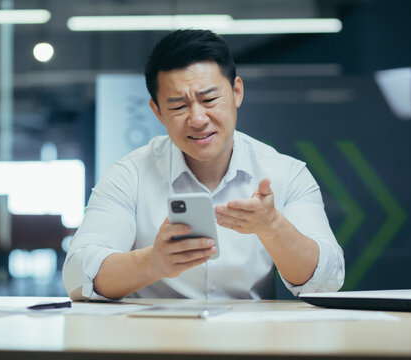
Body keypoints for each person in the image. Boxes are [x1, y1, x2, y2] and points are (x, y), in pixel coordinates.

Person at [63, 29, 344, 300]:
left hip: (251, 340)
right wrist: (152, 262)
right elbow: (78, 275)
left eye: (209, 99)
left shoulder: (286, 174)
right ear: (157, 112)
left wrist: (273, 227)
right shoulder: (130, 174)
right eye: (178, 106)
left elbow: (327, 280)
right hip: (154, 340)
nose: (197, 119)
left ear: (236, 92)